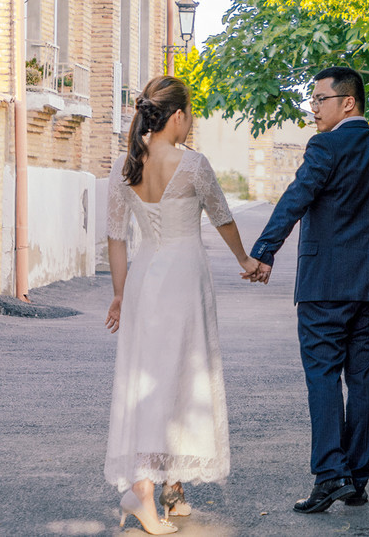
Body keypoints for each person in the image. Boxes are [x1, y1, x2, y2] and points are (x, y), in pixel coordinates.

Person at [245, 65, 369, 514]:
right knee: (363, 380)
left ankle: (329, 475)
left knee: (322, 376)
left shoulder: (325, 146)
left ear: (348, 102)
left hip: (325, 287)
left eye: (319, 100)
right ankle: (356, 480)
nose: (312, 109)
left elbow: (296, 198)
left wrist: (264, 250)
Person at [104, 75, 260, 534]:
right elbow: (223, 218)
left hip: (142, 282)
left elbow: (116, 238)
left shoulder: (124, 166)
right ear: (177, 116)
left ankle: (171, 487)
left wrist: (118, 293)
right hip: (183, 282)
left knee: (150, 378)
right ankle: (142, 494)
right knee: (178, 378)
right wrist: (245, 260)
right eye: (189, 114)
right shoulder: (192, 165)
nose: (190, 122)